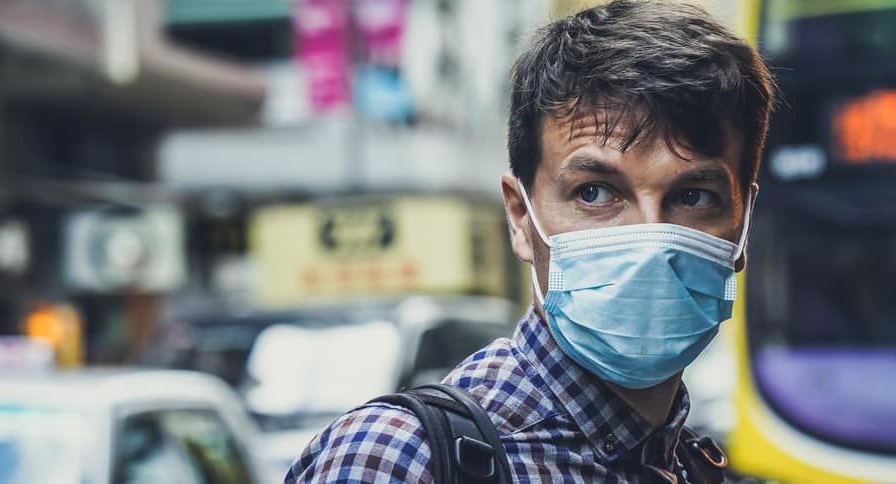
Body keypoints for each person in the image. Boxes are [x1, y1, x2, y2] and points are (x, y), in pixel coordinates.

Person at [286, 0, 774, 482]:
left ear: (743, 221)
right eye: (595, 192)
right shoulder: (399, 459)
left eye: (692, 196)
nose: (649, 240)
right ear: (520, 216)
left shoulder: (691, 466)